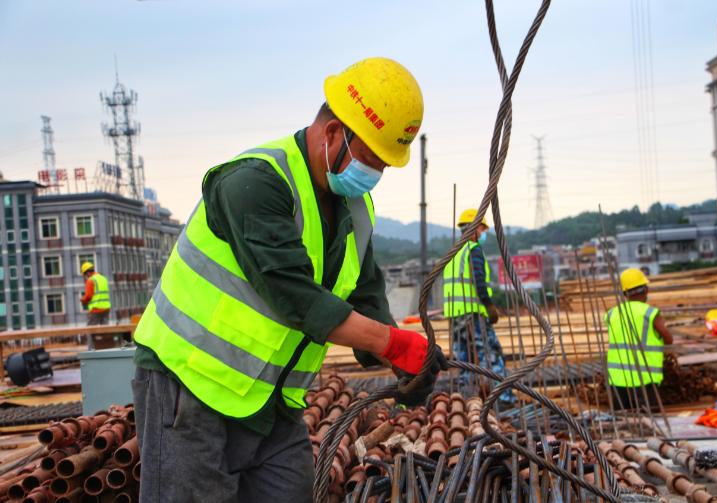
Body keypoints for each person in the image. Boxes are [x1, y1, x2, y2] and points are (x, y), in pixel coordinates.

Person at [130, 57, 446, 503]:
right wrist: (390, 342)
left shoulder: (356, 211)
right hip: (189, 387)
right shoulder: (255, 182)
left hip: (270, 401)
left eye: (383, 166)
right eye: (370, 159)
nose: (373, 175)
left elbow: (365, 293)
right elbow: (296, 299)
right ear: (333, 132)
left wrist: (405, 362)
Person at [443, 209, 513, 403]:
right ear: (474, 229)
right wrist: (489, 306)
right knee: (491, 356)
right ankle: (502, 401)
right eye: (481, 230)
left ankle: (468, 401)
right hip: (473, 315)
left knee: (465, 362)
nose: (482, 234)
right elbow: (479, 281)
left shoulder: (452, 254)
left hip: (455, 317)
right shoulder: (472, 250)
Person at [605, 267, 673, 411]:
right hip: (645, 379)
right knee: (651, 423)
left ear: (624, 293)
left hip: (617, 379)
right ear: (646, 290)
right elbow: (669, 340)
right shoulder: (650, 313)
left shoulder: (611, 314)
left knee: (621, 423)